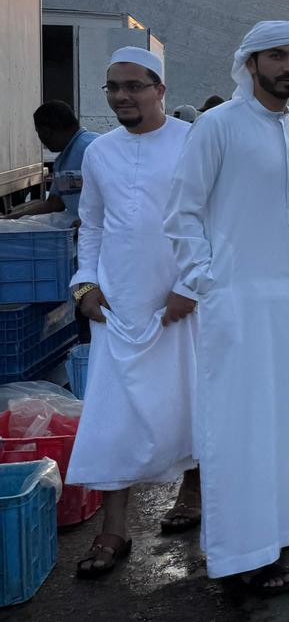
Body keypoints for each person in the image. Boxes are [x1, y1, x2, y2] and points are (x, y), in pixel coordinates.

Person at [165, 20, 289, 594]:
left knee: (286, 424)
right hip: (236, 304)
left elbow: (284, 209)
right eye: (279, 56)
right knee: (239, 427)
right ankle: (239, 559)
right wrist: (209, 282)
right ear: (251, 62)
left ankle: (277, 540)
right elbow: (182, 213)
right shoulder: (218, 126)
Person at [67, 47, 202, 577]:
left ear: (160, 89)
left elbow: (209, 221)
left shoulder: (191, 143)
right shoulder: (100, 152)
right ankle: (114, 530)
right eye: (113, 87)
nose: (121, 96)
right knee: (112, 414)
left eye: (133, 86)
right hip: (119, 306)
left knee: (191, 402)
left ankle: (191, 496)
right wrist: (85, 283)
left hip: (182, 305)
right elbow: (93, 224)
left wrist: (189, 286)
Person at [3, 101, 98, 223]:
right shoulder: (62, 161)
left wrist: (94, 221)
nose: (40, 140)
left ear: (46, 132)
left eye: (38, 133)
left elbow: (116, 191)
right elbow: (54, 203)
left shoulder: (93, 147)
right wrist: (10, 218)